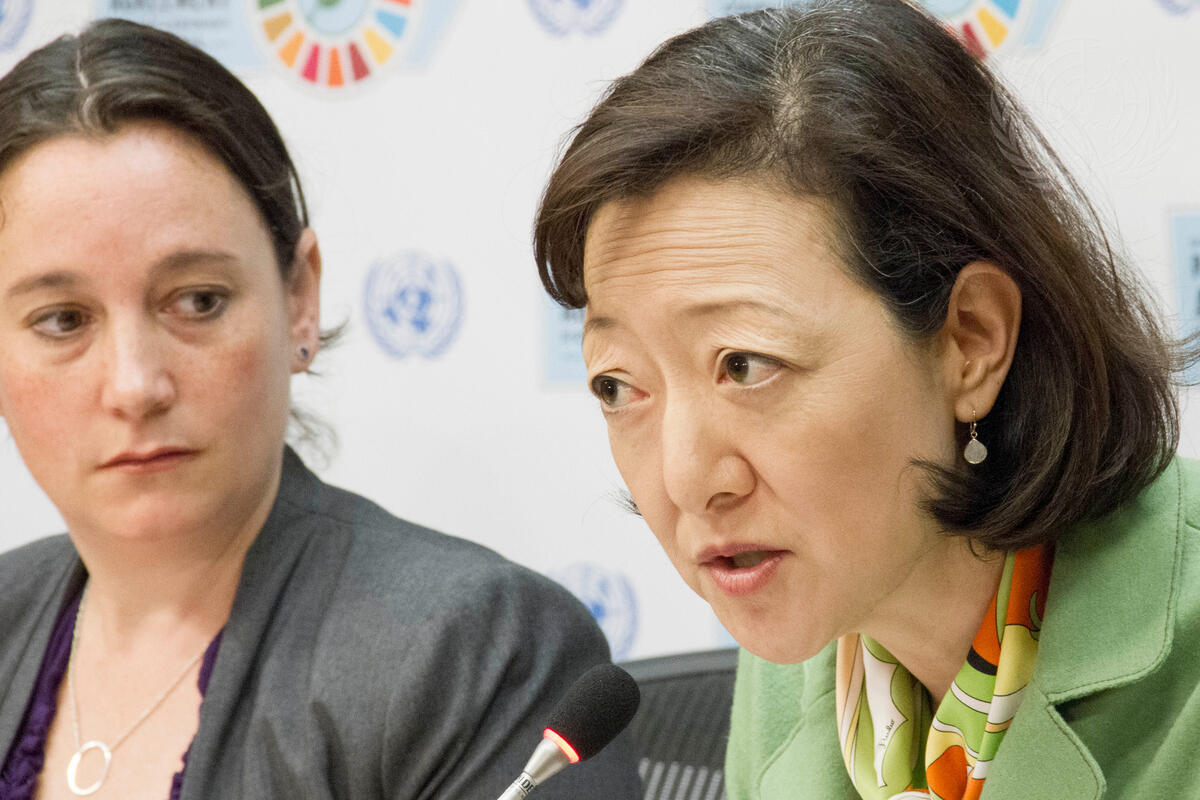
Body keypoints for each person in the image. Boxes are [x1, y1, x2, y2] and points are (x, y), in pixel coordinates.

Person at [533, 1, 1199, 798]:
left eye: (745, 365)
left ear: (971, 341)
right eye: (618, 385)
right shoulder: (806, 648)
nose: (686, 481)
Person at [0, 19, 640, 800]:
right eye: (62, 320)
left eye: (197, 301)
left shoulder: (473, 652)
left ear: (299, 299)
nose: (135, 385)